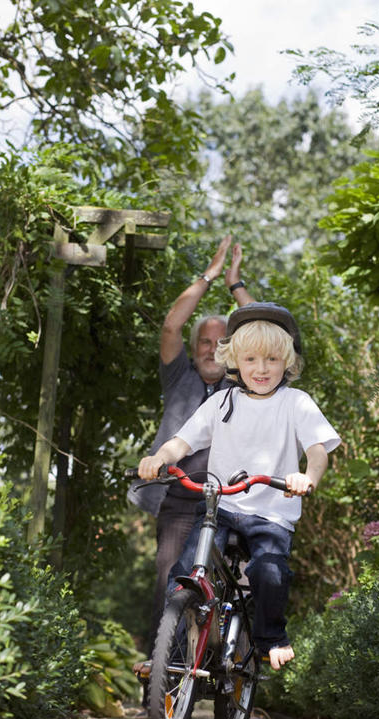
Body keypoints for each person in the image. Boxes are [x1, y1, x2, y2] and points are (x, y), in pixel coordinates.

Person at [137, 302, 341, 671]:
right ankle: (171, 656)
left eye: (272, 360)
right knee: (185, 572)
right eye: (250, 359)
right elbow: (181, 442)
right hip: (221, 509)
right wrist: (159, 458)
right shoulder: (221, 402)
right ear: (234, 361)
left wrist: (308, 477)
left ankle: (271, 638)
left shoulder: (296, 403)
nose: (261, 369)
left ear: (287, 363)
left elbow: (317, 450)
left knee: (268, 571)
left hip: (271, 515)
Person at [128, 235, 254, 659]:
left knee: (235, 587)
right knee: (171, 580)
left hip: (236, 499)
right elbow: (170, 326)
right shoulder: (179, 376)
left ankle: (230, 663)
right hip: (182, 499)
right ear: (195, 348)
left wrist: (235, 285)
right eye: (205, 341)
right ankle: (167, 671)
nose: (211, 348)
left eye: (222, 342)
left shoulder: (245, 383)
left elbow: (263, 334)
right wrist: (210, 275)